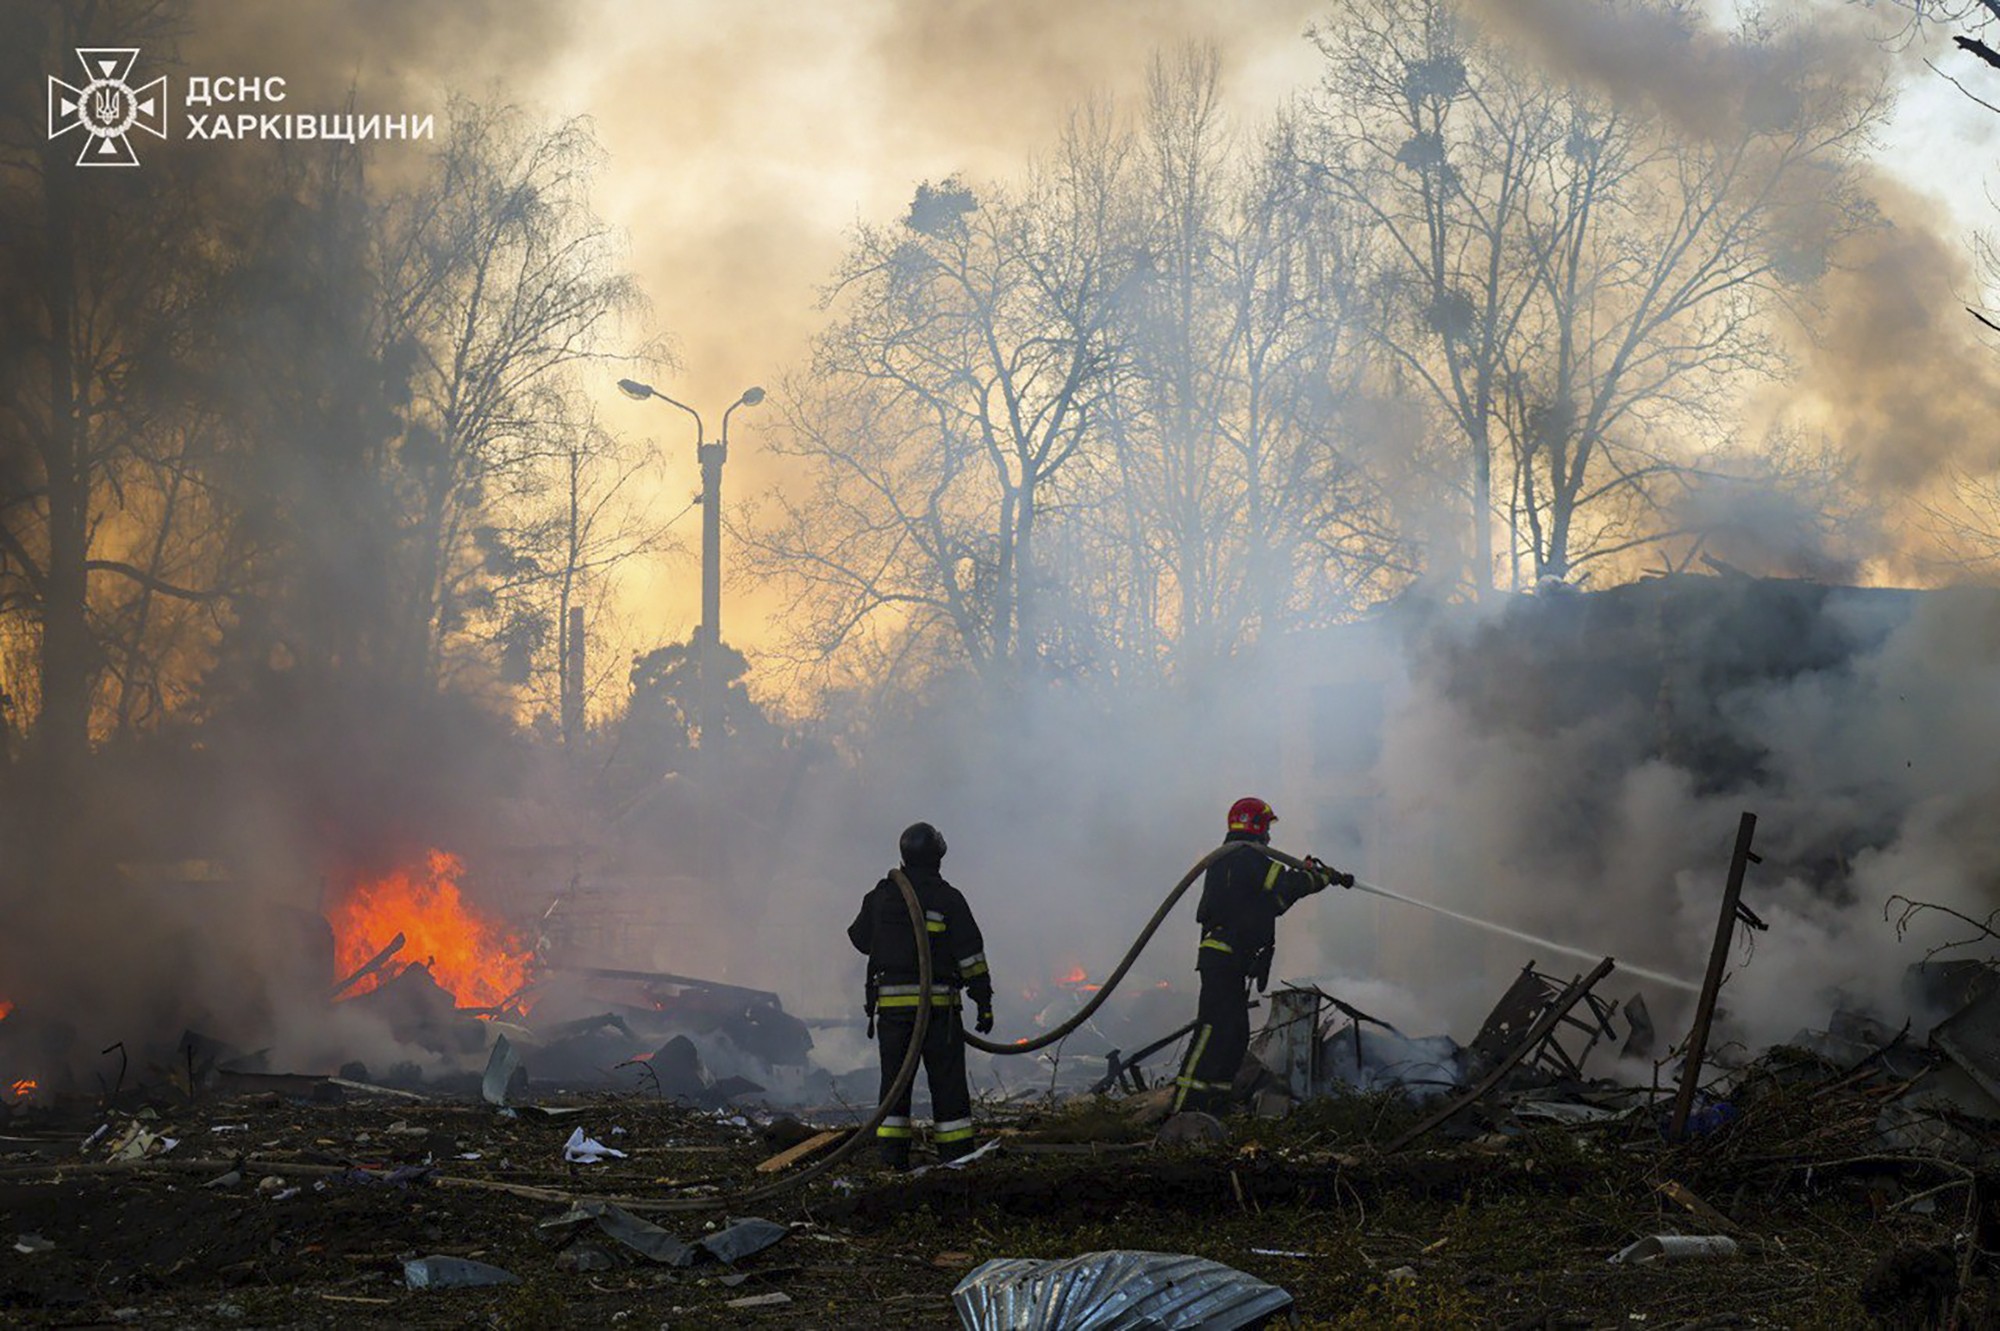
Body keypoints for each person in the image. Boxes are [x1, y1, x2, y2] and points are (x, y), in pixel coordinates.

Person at [1171, 796, 1353, 1116]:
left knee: (1234, 1033)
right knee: (1213, 1029)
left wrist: (1312, 879)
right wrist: (1317, 877)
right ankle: (1185, 1105)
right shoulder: (1244, 856)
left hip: (1233, 959)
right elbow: (1285, 882)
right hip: (1223, 956)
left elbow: (1274, 903)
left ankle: (1215, 1104)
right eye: (1266, 826)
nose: (1269, 835)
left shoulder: (1240, 860)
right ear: (1254, 825)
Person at [848, 821, 994, 1168]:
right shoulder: (948, 898)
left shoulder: (881, 896)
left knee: (894, 1087)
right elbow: (971, 956)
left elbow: (860, 939)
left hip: (894, 1014)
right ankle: (957, 1159)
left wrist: (892, 943)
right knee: (948, 1086)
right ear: (938, 857)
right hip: (938, 1013)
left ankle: (892, 1160)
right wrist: (983, 1002)